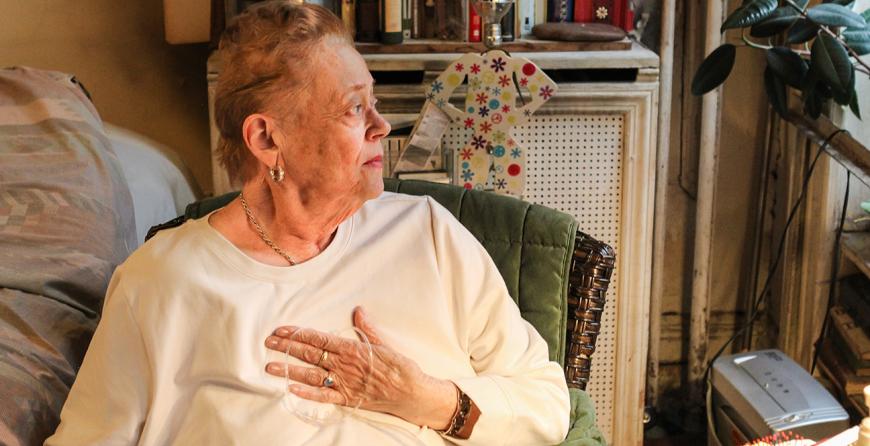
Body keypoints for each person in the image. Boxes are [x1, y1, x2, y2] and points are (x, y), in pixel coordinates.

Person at [46, 2, 570, 444]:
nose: (382, 127)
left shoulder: (427, 234)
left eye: (376, 103)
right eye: (353, 109)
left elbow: (546, 403)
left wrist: (426, 400)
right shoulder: (161, 283)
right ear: (266, 140)